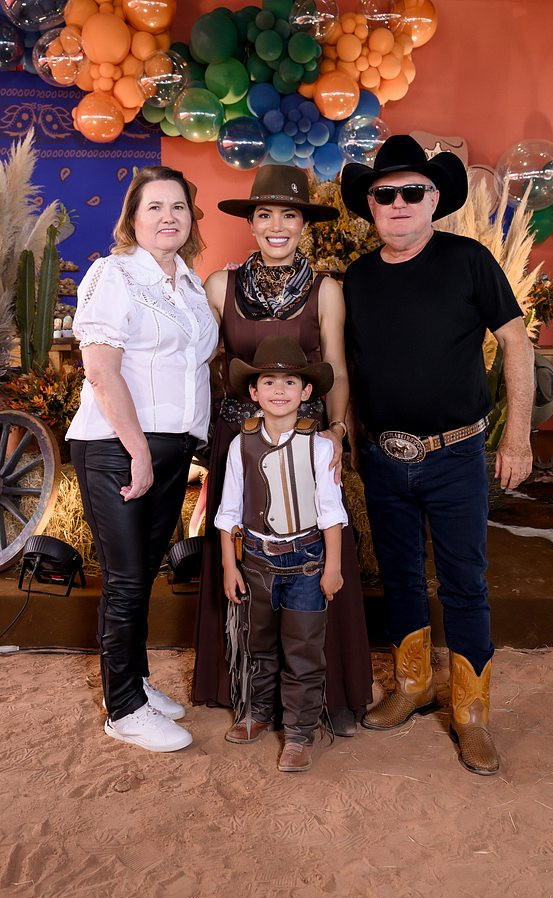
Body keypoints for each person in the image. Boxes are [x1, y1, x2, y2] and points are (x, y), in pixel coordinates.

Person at [341, 135, 534, 776]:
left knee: (463, 583)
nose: (398, 202)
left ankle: (472, 714)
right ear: (371, 206)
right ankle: (414, 685)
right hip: (383, 456)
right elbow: (349, 367)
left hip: (456, 456)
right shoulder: (358, 279)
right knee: (398, 576)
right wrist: (350, 436)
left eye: (412, 191)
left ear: (433, 200)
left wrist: (517, 436)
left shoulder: (468, 260)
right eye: (385, 194)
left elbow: (517, 343)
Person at [191, 165, 372, 736]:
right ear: (251, 222)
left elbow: (336, 365)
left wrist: (337, 431)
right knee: (243, 560)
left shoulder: (327, 290)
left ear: (303, 224)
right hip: (239, 443)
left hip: (307, 440)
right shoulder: (219, 287)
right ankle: (245, 693)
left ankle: (321, 697)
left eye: (288, 215)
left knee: (314, 558)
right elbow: (202, 366)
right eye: (265, 214)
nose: (276, 225)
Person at [66, 166, 219, 752]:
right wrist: (136, 451)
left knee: (142, 573)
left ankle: (135, 682)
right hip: (117, 446)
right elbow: (101, 372)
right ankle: (124, 709)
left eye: (178, 206)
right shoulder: (114, 275)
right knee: (126, 579)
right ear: (132, 218)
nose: (167, 217)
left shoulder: (189, 283)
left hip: (172, 448)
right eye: (154, 207)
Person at [216, 335, 346, 772]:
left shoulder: (320, 446)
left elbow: (331, 513)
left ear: (306, 392)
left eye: (289, 382)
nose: (278, 390)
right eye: (268, 382)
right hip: (255, 562)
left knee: (304, 649)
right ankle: (257, 712)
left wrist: (332, 568)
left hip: (307, 563)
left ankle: (299, 733)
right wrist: (229, 565)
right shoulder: (241, 445)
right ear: (253, 392)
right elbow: (228, 512)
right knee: (258, 643)